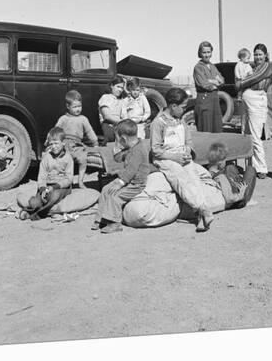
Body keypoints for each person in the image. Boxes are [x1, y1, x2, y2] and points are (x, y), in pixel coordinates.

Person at [150, 87, 214, 232]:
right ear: (173, 106)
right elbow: (156, 150)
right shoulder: (158, 123)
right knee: (181, 180)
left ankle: (201, 216)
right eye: (183, 107)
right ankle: (203, 210)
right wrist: (174, 157)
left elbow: (189, 140)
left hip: (182, 156)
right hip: (166, 159)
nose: (184, 110)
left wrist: (188, 150)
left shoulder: (180, 121)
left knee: (194, 179)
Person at [92, 119, 150, 234]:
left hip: (136, 184)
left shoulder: (138, 151)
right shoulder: (131, 147)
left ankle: (115, 223)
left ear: (123, 139)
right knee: (106, 189)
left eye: (117, 140)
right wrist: (118, 150)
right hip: (128, 180)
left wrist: (120, 182)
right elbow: (118, 158)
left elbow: (131, 170)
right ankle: (102, 218)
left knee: (115, 196)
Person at [19, 127, 73, 220]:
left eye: (56, 143)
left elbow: (69, 179)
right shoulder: (46, 158)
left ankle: (37, 214)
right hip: (47, 186)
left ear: (63, 143)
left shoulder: (68, 158)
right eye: (51, 144)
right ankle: (33, 208)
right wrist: (43, 189)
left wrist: (55, 187)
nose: (54, 146)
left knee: (54, 196)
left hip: (61, 187)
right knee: (35, 202)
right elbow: (42, 177)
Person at [236, 43, 272, 179]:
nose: (258, 57)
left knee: (256, 135)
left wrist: (241, 83)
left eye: (260, 54)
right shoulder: (252, 67)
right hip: (248, 99)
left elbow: (252, 79)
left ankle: (262, 167)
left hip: (257, 100)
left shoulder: (267, 67)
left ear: (265, 55)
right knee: (246, 133)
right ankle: (250, 165)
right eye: (256, 54)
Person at [55, 90, 99, 188]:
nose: (78, 109)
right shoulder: (63, 119)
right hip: (65, 145)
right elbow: (56, 131)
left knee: (83, 159)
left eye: (79, 106)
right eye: (75, 107)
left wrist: (95, 142)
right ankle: (65, 182)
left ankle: (80, 182)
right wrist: (50, 141)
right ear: (68, 106)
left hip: (77, 145)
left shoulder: (83, 119)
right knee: (64, 162)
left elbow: (89, 131)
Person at [193, 41, 224, 132]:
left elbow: (222, 80)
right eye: (204, 52)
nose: (207, 55)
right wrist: (214, 82)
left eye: (208, 52)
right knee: (206, 129)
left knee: (216, 127)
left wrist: (211, 81)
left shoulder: (213, 66)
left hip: (214, 100)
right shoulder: (198, 67)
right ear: (200, 53)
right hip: (204, 100)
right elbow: (203, 84)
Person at [98, 77, 126, 145]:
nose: (120, 90)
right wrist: (122, 122)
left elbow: (124, 115)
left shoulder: (121, 101)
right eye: (118, 87)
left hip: (119, 125)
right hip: (108, 124)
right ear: (112, 86)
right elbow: (107, 116)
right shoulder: (105, 97)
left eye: (122, 88)